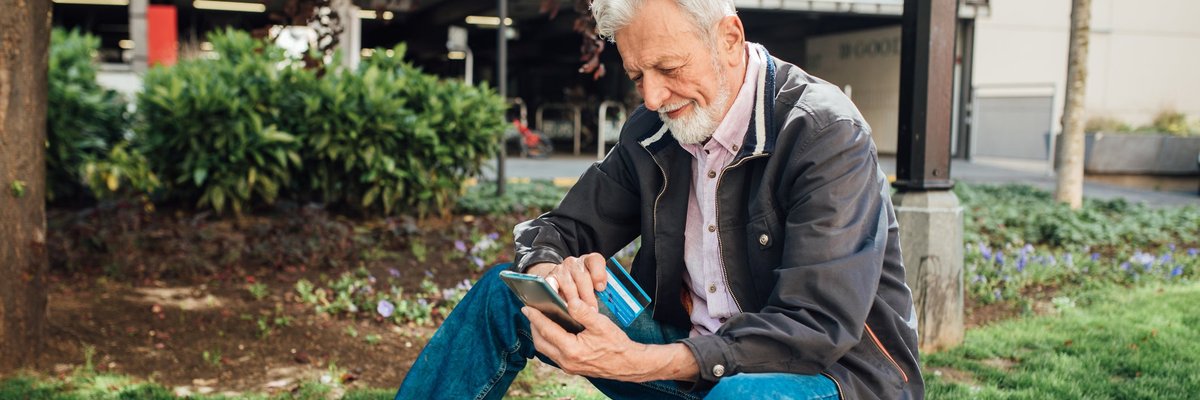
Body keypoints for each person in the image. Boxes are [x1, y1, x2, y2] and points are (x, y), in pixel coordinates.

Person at [396, 0, 923, 397]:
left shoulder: (823, 131)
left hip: (826, 377)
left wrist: (640, 362)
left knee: (743, 394)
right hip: (683, 361)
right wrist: (552, 268)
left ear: (730, 38)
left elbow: (814, 327)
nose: (651, 97)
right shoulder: (655, 128)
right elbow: (558, 228)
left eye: (669, 69)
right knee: (508, 292)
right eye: (636, 75)